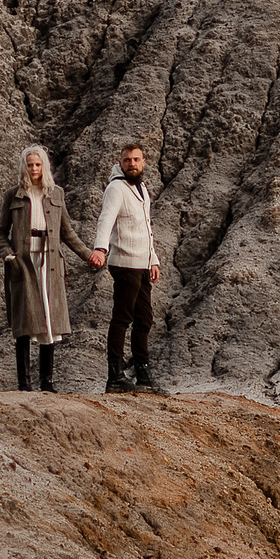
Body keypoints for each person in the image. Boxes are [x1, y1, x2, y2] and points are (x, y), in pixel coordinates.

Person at [0, 145, 94, 392]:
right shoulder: (14, 195)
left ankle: (47, 382)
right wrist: (8, 254)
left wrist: (88, 255)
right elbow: (0, 231)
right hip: (23, 263)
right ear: (24, 167)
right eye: (30, 165)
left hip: (50, 262)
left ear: (45, 166)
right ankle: (24, 384)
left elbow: (67, 232)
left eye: (38, 164)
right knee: (24, 320)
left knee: (49, 320)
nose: (34, 169)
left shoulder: (56, 194)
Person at [88, 142, 162, 394]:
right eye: (127, 160)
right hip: (124, 262)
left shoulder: (142, 188)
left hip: (142, 264)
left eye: (136, 159)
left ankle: (142, 372)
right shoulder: (116, 188)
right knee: (122, 318)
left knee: (144, 319)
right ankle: (115, 376)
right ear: (120, 163)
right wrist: (100, 248)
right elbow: (105, 219)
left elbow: (147, 228)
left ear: (143, 162)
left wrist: (153, 259)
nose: (132, 163)